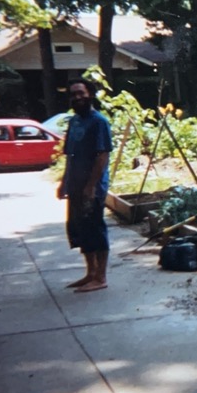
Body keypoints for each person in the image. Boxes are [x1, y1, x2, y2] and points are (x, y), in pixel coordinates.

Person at [57, 78, 113, 293]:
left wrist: (91, 186)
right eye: (73, 94)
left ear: (90, 94)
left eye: (81, 93)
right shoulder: (74, 122)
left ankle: (101, 277)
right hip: (75, 185)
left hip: (93, 187)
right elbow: (70, 155)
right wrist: (64, 182)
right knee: (79, 229)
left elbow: (102, 157)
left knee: (95, 229)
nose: (77, 97)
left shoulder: (99, 122)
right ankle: (90, 273)